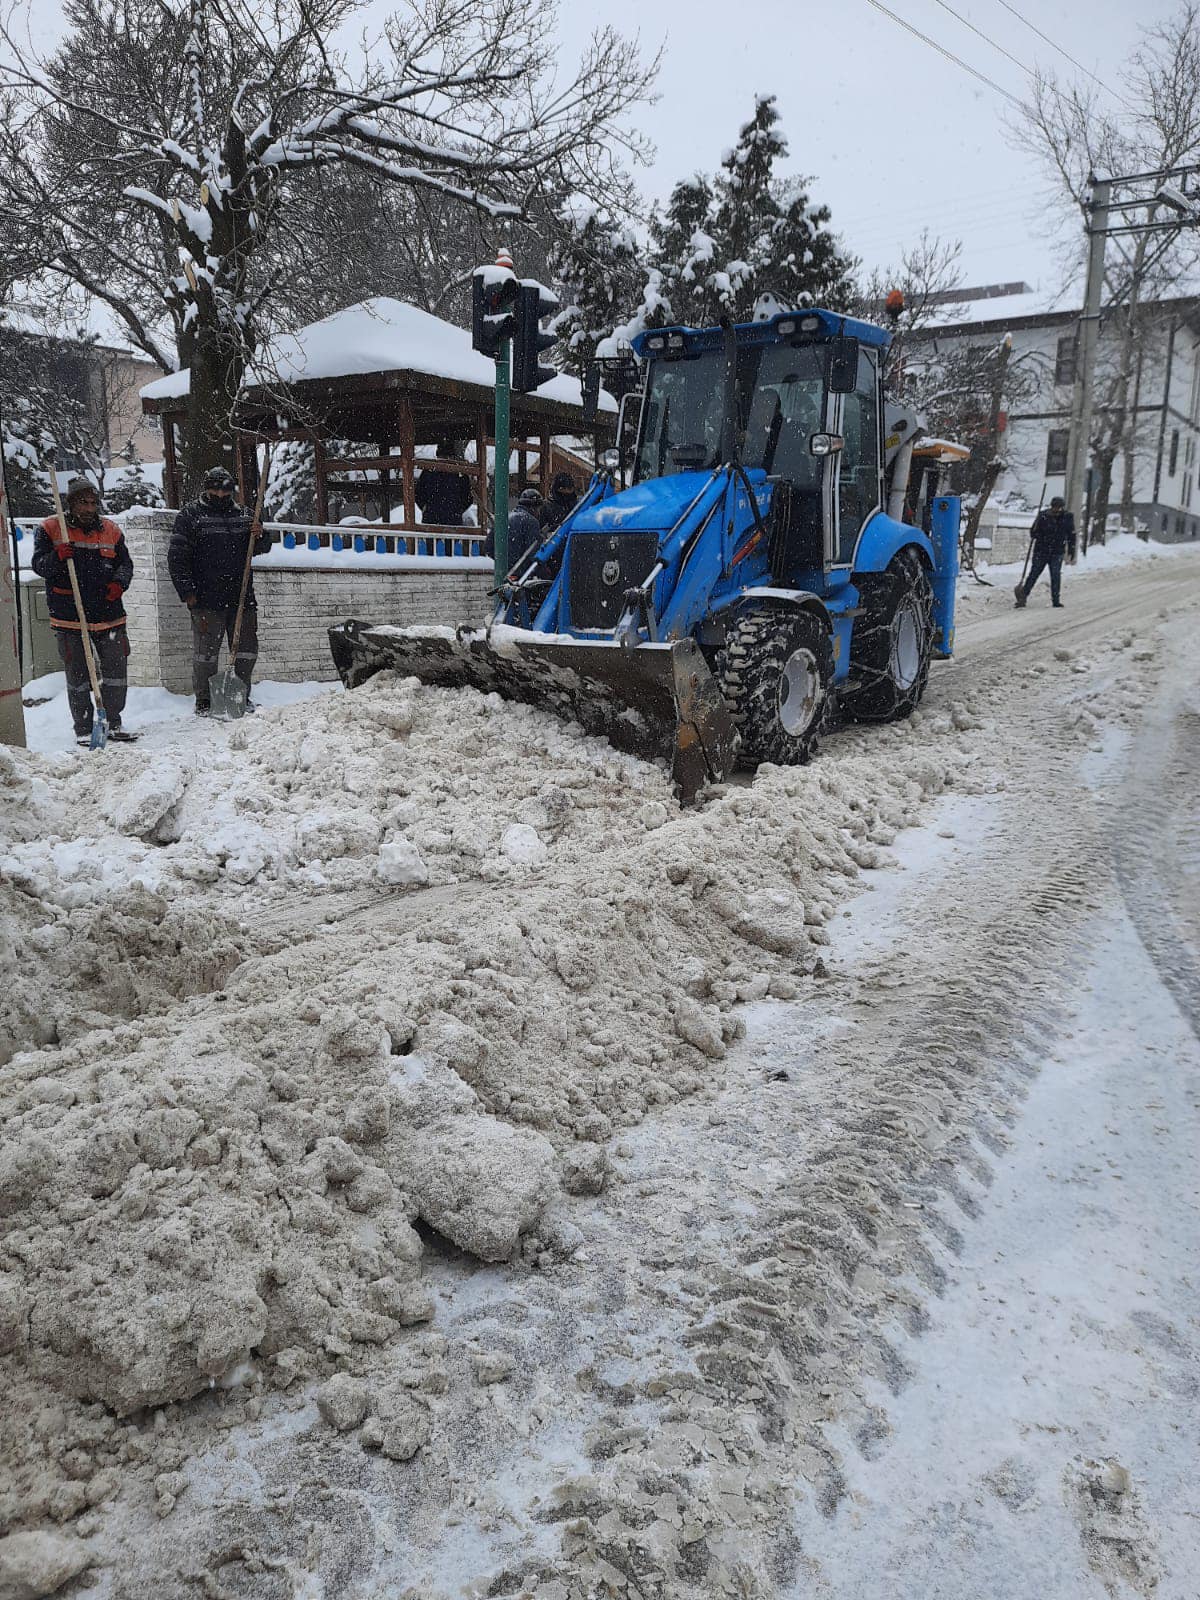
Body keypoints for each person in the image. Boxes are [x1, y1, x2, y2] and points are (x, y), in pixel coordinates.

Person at [32, 478, 135, 745]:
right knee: (77, 676)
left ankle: (112, 721)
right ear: (71, 503)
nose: (89, 508)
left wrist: (119, 583)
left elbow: (125, 564)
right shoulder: (51, 528)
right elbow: (39, 565)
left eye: (92, 503)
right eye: (82, 503)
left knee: (115, 671)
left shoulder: (110, 530)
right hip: (70, 615)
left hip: (108, 613)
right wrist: (57, 557)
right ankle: (83, 727)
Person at [168, 466, 271, 716]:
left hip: (241, 597)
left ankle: (240, 693)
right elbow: (177, 557)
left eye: (225, 489)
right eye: (215, 488)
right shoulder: (191, 516)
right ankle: (204, 700)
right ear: (207, 488)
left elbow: (262, 547)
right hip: (206, 599)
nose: (221, 493)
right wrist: (188, 592)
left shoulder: (245, 515)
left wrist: (261, 535)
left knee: (245, 651)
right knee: (206, 655)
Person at [1016, 495, 1076, 609]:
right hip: (1041, 551)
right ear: (1051, 507)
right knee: (1033, 574)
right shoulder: (1043, 516)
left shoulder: (1067, 517)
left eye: (1059, 508)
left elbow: (1071, 534)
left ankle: (1056, 600)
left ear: (1062, 507)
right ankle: (1022, 597)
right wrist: (1036, 533)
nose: (1057, 510)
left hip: (1057, 552)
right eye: (1055, 507)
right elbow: (1033, 532)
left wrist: (1072, 549)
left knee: (1055, 575)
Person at [415, 441, 473, 529]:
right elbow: (468, 498)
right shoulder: (459, 473)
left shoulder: (429, 471)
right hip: (450, 521)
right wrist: (457, 510)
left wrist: (426, 508)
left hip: (434, 521)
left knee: (432, 541)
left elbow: (418, 493)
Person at [484, 487, 544, 570]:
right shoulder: (532, 522)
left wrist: (503, 561)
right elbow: (533, 552)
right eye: (539, 509)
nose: (539, 512)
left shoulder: (504, 519)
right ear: (534, 507)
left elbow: (488, 546)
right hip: (521, 573)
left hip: (504, 570)